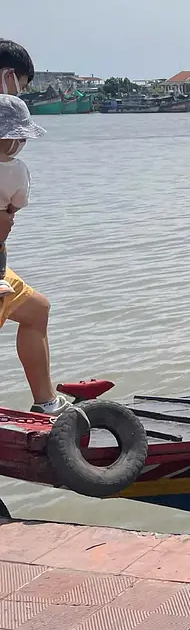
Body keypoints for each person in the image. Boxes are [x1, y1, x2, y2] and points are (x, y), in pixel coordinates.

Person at [0, 39, 68, 415]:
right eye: (21, 87)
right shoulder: (15, 169)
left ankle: (46, 402)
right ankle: (46, 403)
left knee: (35, 309)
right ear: (9, 77)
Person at [0, 95, 44, 297]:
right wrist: (9, 211)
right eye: (22, 138)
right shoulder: (17, 169)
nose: (23, 144)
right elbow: (18, 202)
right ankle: (0, 278)